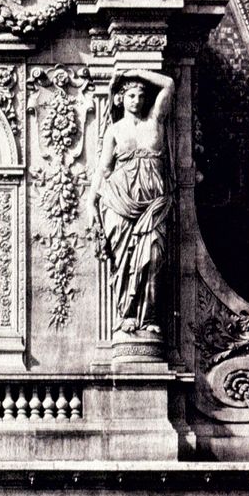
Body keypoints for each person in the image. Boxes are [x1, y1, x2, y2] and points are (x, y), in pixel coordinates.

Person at [85, 68, 176, 334]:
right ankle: (126, 314)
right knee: (123, 259)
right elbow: (103, 169)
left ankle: (147, 317)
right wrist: (91, 202)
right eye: (130, 95)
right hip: (119, 202)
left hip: (154, 204)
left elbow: (169, 83)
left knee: (155, 258)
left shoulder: (155, 122)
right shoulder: (115, 130)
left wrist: (134, 72)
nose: (136, 100)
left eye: (140, 95)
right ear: (120, 99)